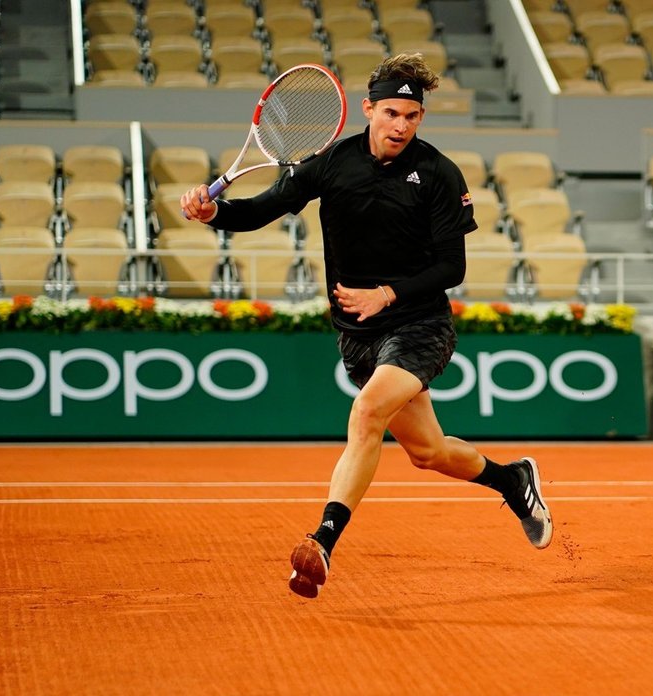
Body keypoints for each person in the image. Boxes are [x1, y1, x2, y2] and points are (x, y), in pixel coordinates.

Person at [179, 54, 553, 599]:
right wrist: (215, 214)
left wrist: (387, 294)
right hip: (357, 335)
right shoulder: (333, 163)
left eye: (413, 116)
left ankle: (323, 541)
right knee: (427, 452)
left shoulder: (440, 173)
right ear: (369, 109)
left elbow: (453, 267)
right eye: (393, 113)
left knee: (367, 410)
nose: (402, 125)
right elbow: (260, 209)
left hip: (419, 324)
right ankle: (513, 480)